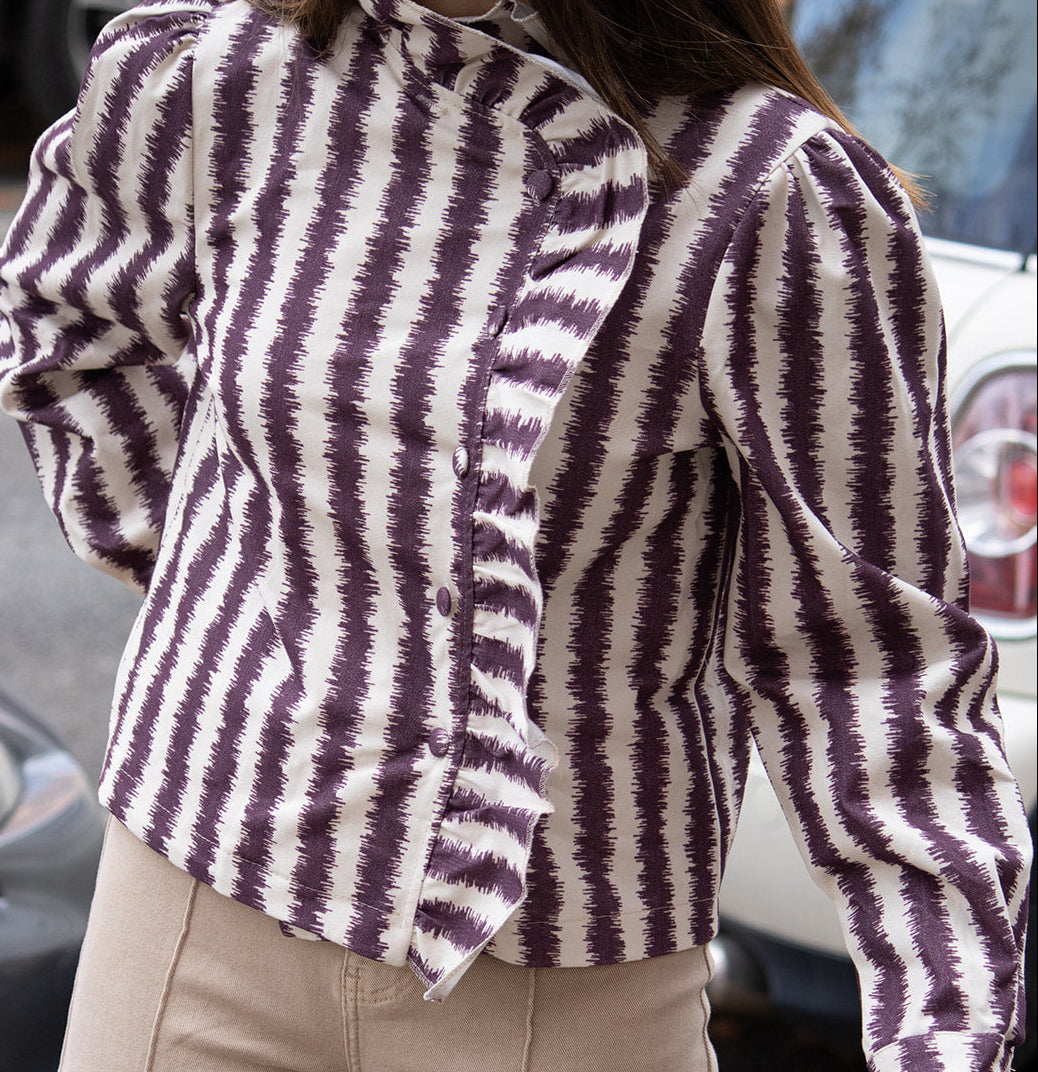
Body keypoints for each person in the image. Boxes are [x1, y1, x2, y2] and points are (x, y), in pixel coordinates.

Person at [0, 0, 1030, 1069]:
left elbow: (869, 664)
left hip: (568, 987)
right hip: (191, 915)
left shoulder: (767, 188)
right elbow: (69, 334)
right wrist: (233, 587)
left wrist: (944, 1033)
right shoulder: (217, 75)